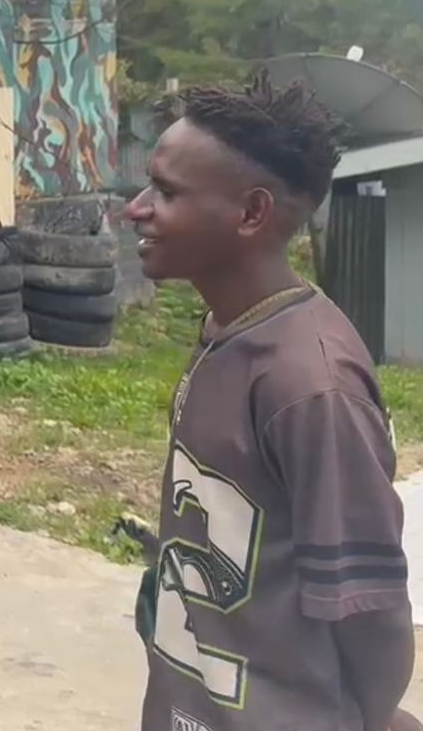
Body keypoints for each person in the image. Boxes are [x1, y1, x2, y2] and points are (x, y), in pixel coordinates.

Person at [127, 73, 415, 731]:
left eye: (167, 192)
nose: (136, 209)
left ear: (251, 214)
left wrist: (368, 720)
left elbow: (373, 616)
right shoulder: (226, 331)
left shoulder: (311, 386)